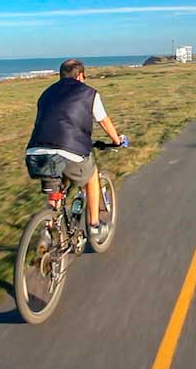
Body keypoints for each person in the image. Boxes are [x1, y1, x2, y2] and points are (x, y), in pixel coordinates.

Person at [25, 59, 126, 236]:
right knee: (92, 177)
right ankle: (95, 226)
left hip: (36, 151)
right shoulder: (89, 93)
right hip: (70, 150)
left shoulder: (46, 93)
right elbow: (103, 120)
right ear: (80, 76)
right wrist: (117, 140)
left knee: (55, 186)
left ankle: (48, 231)